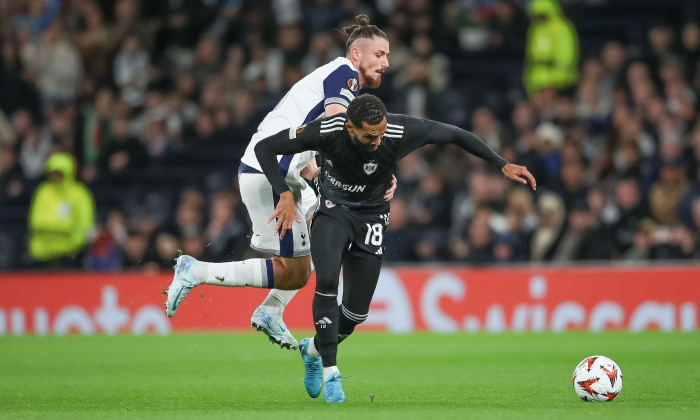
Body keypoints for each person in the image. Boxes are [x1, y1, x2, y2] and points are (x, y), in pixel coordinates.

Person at [254, 94, 536, 402]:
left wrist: (502, 164)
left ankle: (311, 350)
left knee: (354, 314)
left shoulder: (399, 130)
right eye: (369, 135)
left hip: (372, 217)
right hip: (333, 211)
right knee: (326, 281)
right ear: (350, 128)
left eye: (381, 132)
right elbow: (265, 147)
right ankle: (330, 372)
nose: (378, 139)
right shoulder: (327, 130)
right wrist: (282, 192)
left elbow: (454, 134)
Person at [164, 15, 396, 350]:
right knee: (296, 272)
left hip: (282, 170)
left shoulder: (338, 78)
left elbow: (312, 127)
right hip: (270, 172)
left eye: (388, 55)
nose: (386, 63)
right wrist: (377, 169)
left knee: (326, 226)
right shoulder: (345, 73)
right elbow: (334, 125)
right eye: (380, 54)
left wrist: (309, 161)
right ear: (357, 54)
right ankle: (196, 271)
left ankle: (272, 310)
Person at [28, 152, 96, 268]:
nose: (56, 176)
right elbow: (35, 221)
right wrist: (64, 230)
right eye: (53, 173)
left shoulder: (80, 194)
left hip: (70, 255)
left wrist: (71, 242)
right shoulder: (43, 192)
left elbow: (85, 226)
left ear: (68, 172)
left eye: (59, 173)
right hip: (42, 254)